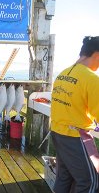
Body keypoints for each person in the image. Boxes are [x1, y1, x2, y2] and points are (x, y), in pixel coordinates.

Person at [51, 36, 99, 193]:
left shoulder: (63, 74)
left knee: (64, 178)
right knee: (90, 181)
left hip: (57, 133)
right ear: (96, 55)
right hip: (76, 138)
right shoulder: (91, 79)